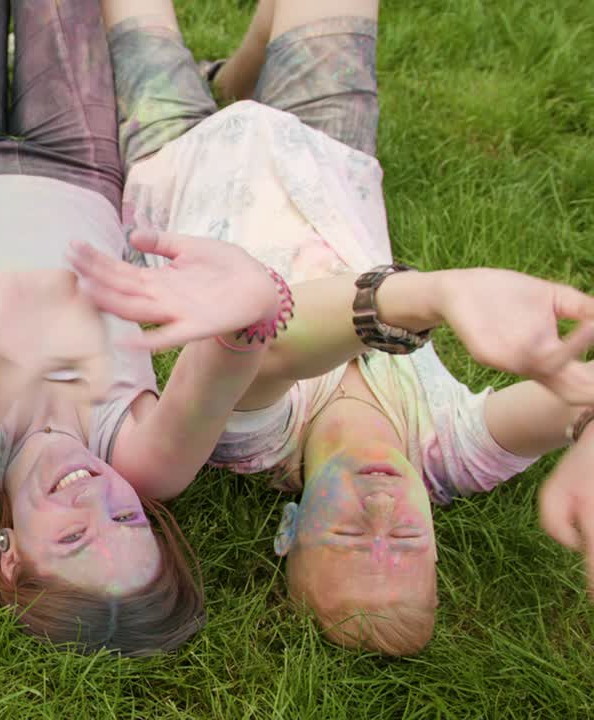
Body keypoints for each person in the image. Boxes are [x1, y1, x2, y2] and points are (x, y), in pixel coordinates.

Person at [81, 0, 594, 655]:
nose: (380, 514)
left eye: (350, 537)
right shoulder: (448, 452)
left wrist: (434, 293)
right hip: (325, 158)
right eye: (406, 539)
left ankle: (226, 85)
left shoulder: (255, 446)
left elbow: (268, 340)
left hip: (175, 159)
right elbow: (572, 398)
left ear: (290, 531)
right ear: (436, 544)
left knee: (135, 14)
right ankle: (237, 78)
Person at [0, 0, 299, 655]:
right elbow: (214, 381)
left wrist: (10, 354)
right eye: (125, 517)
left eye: (74, 537)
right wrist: (254, 301)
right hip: (80, 172)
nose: (96, 500)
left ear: (12, 557)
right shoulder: (140, 460)